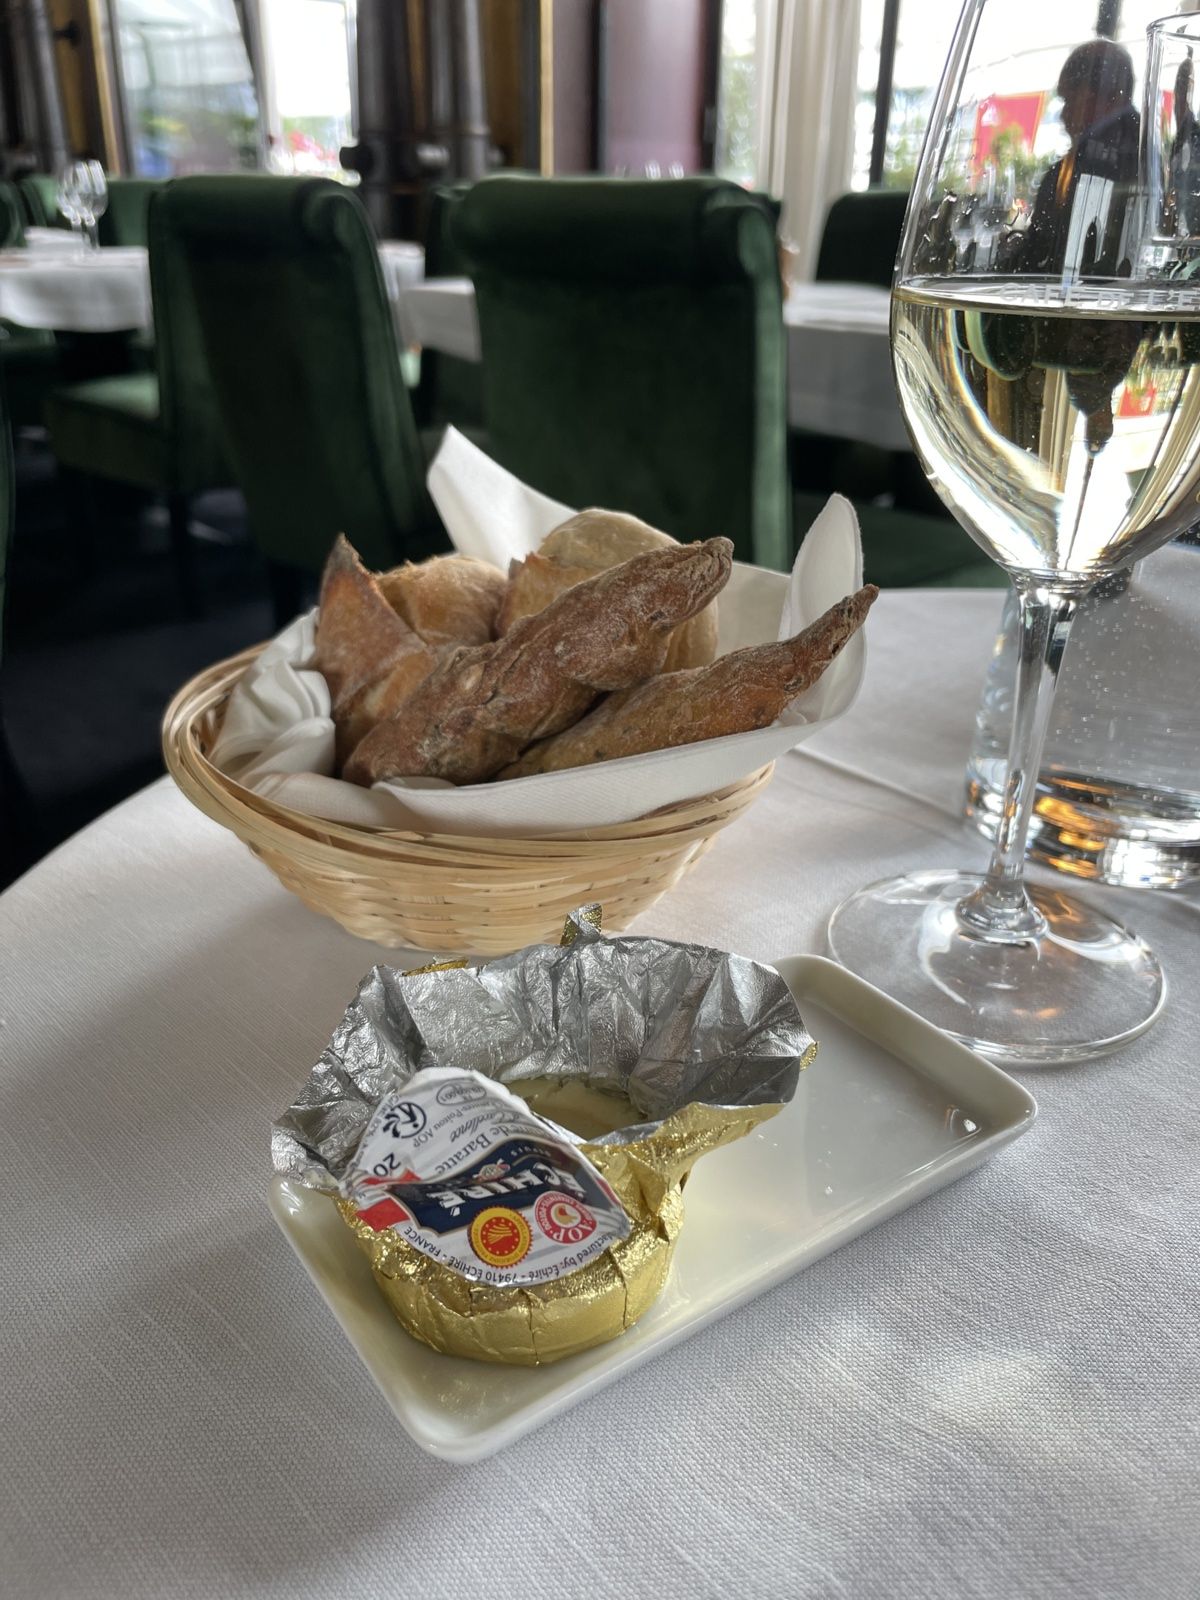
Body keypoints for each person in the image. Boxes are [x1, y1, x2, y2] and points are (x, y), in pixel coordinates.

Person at [1020, 39, 1140, 275]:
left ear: (1106, 96)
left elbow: (1045, 256)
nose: (1062, 115)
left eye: (1069, 100)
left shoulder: (1092, 164)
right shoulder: (1146, 154)